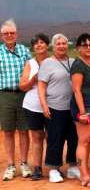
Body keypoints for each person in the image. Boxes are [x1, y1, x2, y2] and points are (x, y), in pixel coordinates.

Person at [38, 33, 79, 183]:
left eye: (64, 43)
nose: (62, 46)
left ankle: (73, 166)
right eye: (58, 44)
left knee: (74, 138)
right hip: (55, 107)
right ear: (53, 46)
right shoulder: (47, 63)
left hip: (73, 108)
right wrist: (44, 105)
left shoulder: (73, 62)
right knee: (55, 138)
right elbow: (41, 87)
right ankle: (54, 169)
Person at [0, 19, 32, 181]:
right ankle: (11, 165)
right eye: (6, 33)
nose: (9, 35)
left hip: (23, 95)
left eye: (12, 33)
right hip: (5, 95)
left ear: (16, 34)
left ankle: (24, 163)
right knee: (8, 131)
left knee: (24, 129)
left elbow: (32, 70)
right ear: (2, 35)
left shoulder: (24, 50)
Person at [70, 33, 90, 187]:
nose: (88, 47)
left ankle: (86, 174)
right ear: (78, 48)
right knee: (83, 142)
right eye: (84, 45)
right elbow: (76, 90)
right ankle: (83, 177)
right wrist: (82, 112)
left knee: (88, 141)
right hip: (85, 105)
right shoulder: (78, 64)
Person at [20, 33, 49, 181]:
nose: (38, 45)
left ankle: (53, 167)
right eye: (35, 43)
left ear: (47, 45)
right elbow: (22, 85)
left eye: (42, 42)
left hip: (52, 106)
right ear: (33, 47)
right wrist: (33, 79)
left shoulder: (53, 61)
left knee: (52, 137)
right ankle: (37, 168)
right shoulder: (30, 64)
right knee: (37, 137)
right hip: (33, 106)